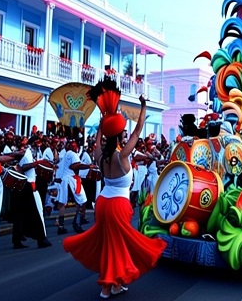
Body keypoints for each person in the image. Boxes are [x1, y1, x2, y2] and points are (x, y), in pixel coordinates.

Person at [63, 76, 166, 299]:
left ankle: (112, 285)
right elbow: (138, 130)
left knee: (109, 245)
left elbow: (98, 141)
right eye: (123, 133)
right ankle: (107, 286)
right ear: (120, 135)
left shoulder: (99, 155)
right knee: (118, 245)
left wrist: (103, 124)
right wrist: (143, 105)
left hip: (103, 203)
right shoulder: (122, 156)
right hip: (118, 205)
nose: (127, 135)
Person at [11, 136, 52, 249]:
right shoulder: (27, 152)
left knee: (22, 215)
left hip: (30, 185)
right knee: (36, 213)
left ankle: (17, 239)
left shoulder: (35, 152)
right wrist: (36, 163)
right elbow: (22, 167)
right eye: (38, 142)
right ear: (33, 142)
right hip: (26, 186)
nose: (40, 144)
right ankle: (41, 239)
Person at [55, 140, 89, 235]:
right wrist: (88, 166)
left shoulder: (67, 154)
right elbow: (75, 166)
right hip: (71, 181)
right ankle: (77, 224)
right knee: (81, 201)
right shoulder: (73, 154)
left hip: (64, 180)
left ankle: (61, 226)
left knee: (62, 203)